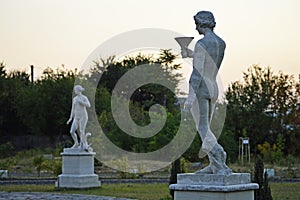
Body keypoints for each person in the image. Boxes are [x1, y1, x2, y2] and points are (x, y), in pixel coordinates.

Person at [183, 11, 232, 174]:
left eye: (196, 24)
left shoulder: (201, 43)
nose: (196, 28)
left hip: (201, 88)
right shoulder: (221, 43)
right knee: (207, 127)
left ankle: (219, 157)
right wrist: (189, 53)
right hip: (213, 86)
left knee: (202, 127)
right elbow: (207, 59)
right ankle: (215, 165)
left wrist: (190, 96)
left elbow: (198, 71)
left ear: (202, 24)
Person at [67, 85, 91, 151]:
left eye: (76, 90)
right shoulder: (74, 99)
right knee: (72, 131)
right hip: (76, 117)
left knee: (81, 130)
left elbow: (89, 105)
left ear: (79, 90)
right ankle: (76, 143)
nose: (75, 91)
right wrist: (70, 118)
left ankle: (82, 144)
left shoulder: (84, 97)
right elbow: (73, 109)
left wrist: (81, 102)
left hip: (83, 115)